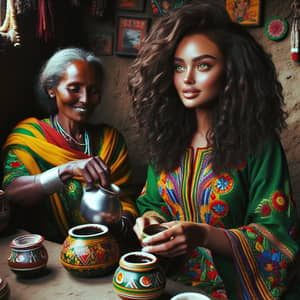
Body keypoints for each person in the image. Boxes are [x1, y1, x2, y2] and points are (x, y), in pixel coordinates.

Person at [129, 1, 300, 299]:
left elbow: (277, 237)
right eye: (179, 66)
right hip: (171, 285)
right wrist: (151, 222)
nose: (188, 79)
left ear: (232, 71)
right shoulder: (167, 139)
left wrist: (203, 235)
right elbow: (151, 202)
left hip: (238, 289)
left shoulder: (259, 146)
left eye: (203, 65)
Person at [1, 47, 138, 245]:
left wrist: (119, 224)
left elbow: (124, 199)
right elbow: (11, 192)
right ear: (51, 88)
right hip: (47, 252)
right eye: (74, 88)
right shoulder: (30, 137)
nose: (85, 99)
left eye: (94, 91)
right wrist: (65, 170)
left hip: (102, 251)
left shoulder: (111, 141)